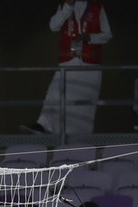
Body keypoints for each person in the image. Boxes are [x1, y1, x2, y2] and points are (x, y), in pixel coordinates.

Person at [22, 0, 112, 135]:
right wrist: (67, 7)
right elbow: (53, 26)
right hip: (68, 60)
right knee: (55, 93)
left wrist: (90, 37)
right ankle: (44, 125)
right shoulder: (65, 6)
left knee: (84, 103)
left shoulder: (97, 8)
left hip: (90, 63)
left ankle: (80, 135)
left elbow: (107, 35)